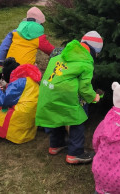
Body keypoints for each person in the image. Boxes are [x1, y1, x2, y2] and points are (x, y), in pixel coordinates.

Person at [35, 35, 102, 164]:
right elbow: (84, 88)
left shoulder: (61, 54)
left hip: (48, 91)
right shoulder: (86, 63)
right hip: (64, 94)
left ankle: (55, 145)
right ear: (95, 52)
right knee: (77, 119)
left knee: (56, 116)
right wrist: (94, 97)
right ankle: (75, 154)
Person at [0, 64, 42, 144]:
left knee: (0, 114)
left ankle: (8, 134)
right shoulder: (34, 83)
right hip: (31, 114)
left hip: (19, 113)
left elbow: (5, 100)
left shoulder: (19, 82)